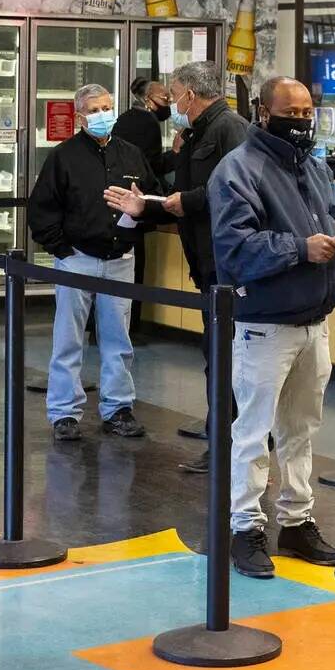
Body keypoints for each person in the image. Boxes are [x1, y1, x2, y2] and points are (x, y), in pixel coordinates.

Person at [208, 75, 335, 579]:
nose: (301, 121)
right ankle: (244, 528)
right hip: (263, 325)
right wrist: (300, 248)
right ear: (262, 111)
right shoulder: (237, 171)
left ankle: (297, 522)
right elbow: (234, 249)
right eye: (290, 112)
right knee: (253, 433)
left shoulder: (315, 167)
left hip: (314, 320)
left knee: (300, 430)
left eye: (306, 112)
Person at [105, 61, 249, 473]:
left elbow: (238, 189)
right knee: (218, 353)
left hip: (227, 262)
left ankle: (229, 444)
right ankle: (227, 438)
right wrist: (147, 205)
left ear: (193, 93)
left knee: (226, 354)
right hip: (206, 260)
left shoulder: (230, 128)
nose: (173, 100)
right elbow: (177, 195)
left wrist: (188, 201)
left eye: (175, 92)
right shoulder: (194, 133)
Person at [28, 84, 167, 442]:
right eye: (94, 109)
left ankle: (118, 408)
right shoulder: (63, 157)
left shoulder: (132, 155)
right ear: (80, 116)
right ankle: (64, 413)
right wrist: (62, 250)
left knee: (118, 340)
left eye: (107, 107)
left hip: (121, 259)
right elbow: (42, 210)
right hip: (77, 259)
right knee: (68, 340)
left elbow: (152, 200)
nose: (103, 114)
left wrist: (141, 220)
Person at [109, 77, 175, 345]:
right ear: (148, 99)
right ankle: (130, 328)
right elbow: (153, 165)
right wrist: (177, 154)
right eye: (164, 99)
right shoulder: (148, 123)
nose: (168, 105)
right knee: (134, 269)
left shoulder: (125, 118)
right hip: (136, 201)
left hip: (117, 201)